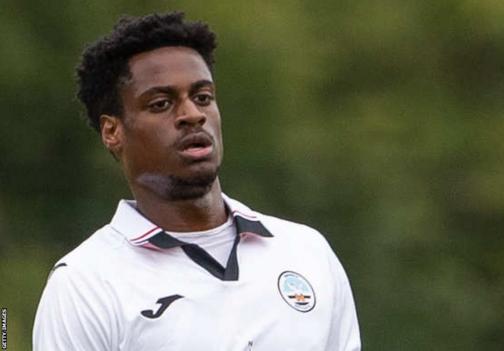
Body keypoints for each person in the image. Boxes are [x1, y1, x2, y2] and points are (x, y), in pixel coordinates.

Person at [33, 12, 360, 351]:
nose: (192, 114)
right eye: (161, 104)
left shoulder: (307, 252)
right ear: (112, 131)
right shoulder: (85, 285)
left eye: (202, 97)